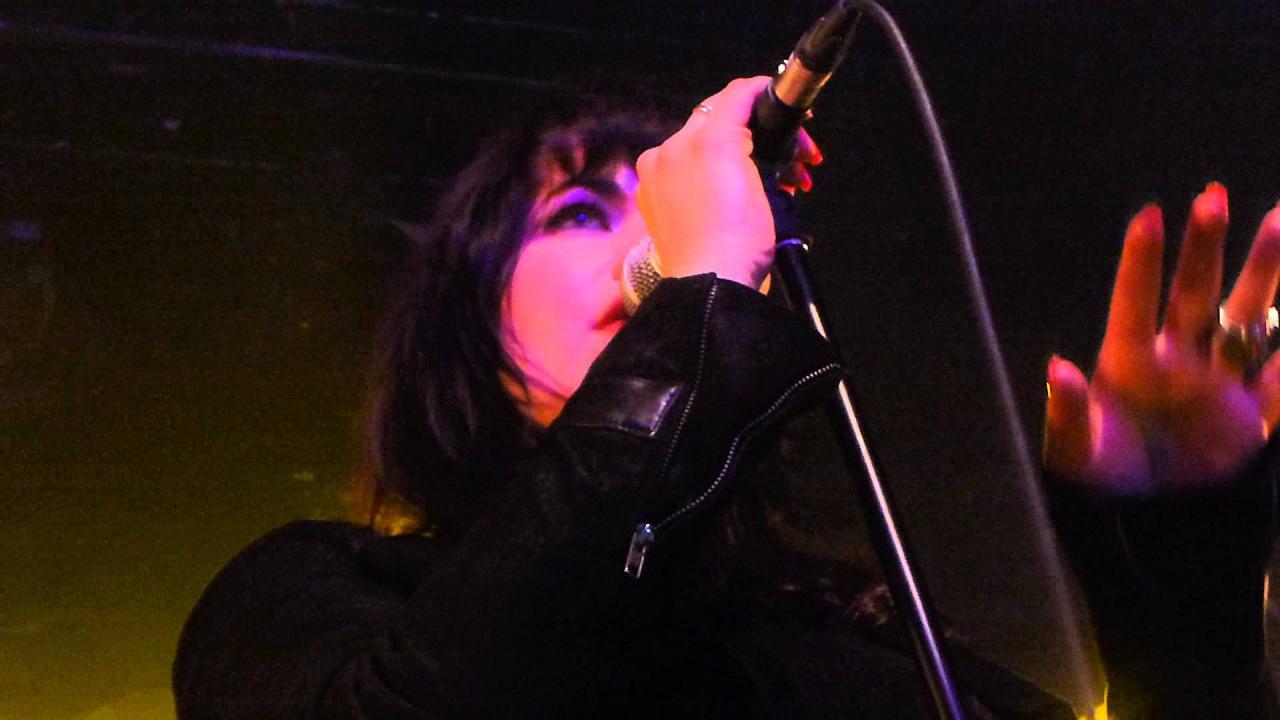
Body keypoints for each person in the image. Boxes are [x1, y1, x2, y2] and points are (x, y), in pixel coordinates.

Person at [173, 76, 1280, 718]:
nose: (649, 238)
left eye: (659, 208)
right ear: (471, 330)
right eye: (578, 214)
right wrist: (694, 306)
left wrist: (1174, 571)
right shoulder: (320, 593)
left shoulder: (847, 629)